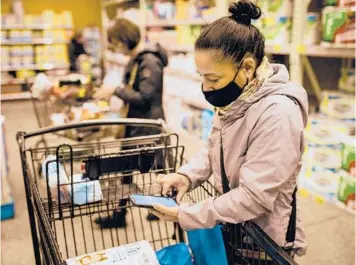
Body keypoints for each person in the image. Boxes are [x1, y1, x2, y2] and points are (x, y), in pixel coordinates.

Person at [150, 0, 308, 258]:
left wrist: (186, 214)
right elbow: (215, 147)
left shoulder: (278, 113)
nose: (206, 87)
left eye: (213, 79)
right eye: (202, 76)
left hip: (264, 242)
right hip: (234, 225)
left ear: (247, 67)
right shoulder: (237, 98)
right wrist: (186, 177)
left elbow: (254, 198)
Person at [93, 18, 168, 228]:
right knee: (129, 168)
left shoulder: (149, 61)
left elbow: (145, 97)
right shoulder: (136, 59)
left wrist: (115, 90)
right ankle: (120, 213)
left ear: (125, 39)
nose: (116, 48)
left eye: (116, 42)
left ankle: (158, 206)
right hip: (135, 123)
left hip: (146, 125)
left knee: (152, 167)